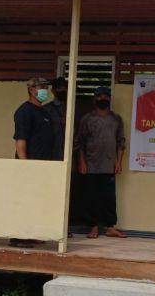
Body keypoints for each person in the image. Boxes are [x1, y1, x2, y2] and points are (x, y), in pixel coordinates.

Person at [78, 86, 127, 239]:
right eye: (100, 96)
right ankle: (93, 227)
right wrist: (82, 162)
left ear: (109, 99)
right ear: (95, 99)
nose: (103, 99)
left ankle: (110, 227)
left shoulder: (116, 119)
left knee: (109, 198)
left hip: (109, 164)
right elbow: (80, 143)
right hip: (91, 164)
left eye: (106, 96)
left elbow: (121, 142)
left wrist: (118, 162)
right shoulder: (87, 119)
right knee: (91, 197)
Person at [11, 77, 54, 248]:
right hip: (29, 165)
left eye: (46, 87)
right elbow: (20, 139)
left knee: (36, 201)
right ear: (31, 89)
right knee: (24, 201)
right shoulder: (24, 111)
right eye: (41, 86)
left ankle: (31, 234)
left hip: (43, 165)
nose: (44, 90)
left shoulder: (44, 112)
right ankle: (18, 238)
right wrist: (24, 165)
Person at [45, 77, 67, 161]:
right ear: (53, 91)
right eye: (59, 88)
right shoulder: (46, 109)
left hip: (70, 154)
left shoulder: (74, 109)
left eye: (65, 87)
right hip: (51, 154)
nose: (62, 90)